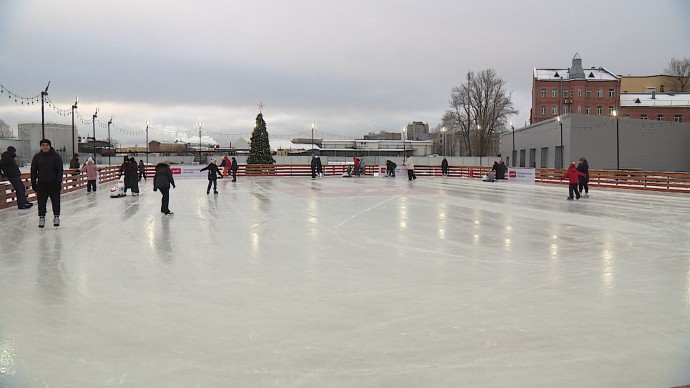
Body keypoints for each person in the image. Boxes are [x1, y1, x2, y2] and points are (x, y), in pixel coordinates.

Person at [30, 139, 64, 227]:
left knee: (56, 201)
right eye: (43, 145)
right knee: (41, 202)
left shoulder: (56, 156)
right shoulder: (37, 157)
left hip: (54, 183)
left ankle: (56, 217)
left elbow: (59, 170)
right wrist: (33, 183)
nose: (45, 147)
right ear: (41, 146)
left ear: (49, 146)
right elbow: (33, 170)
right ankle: (41, 217)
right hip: (42, 183)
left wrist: (58, 181)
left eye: (46, 145)